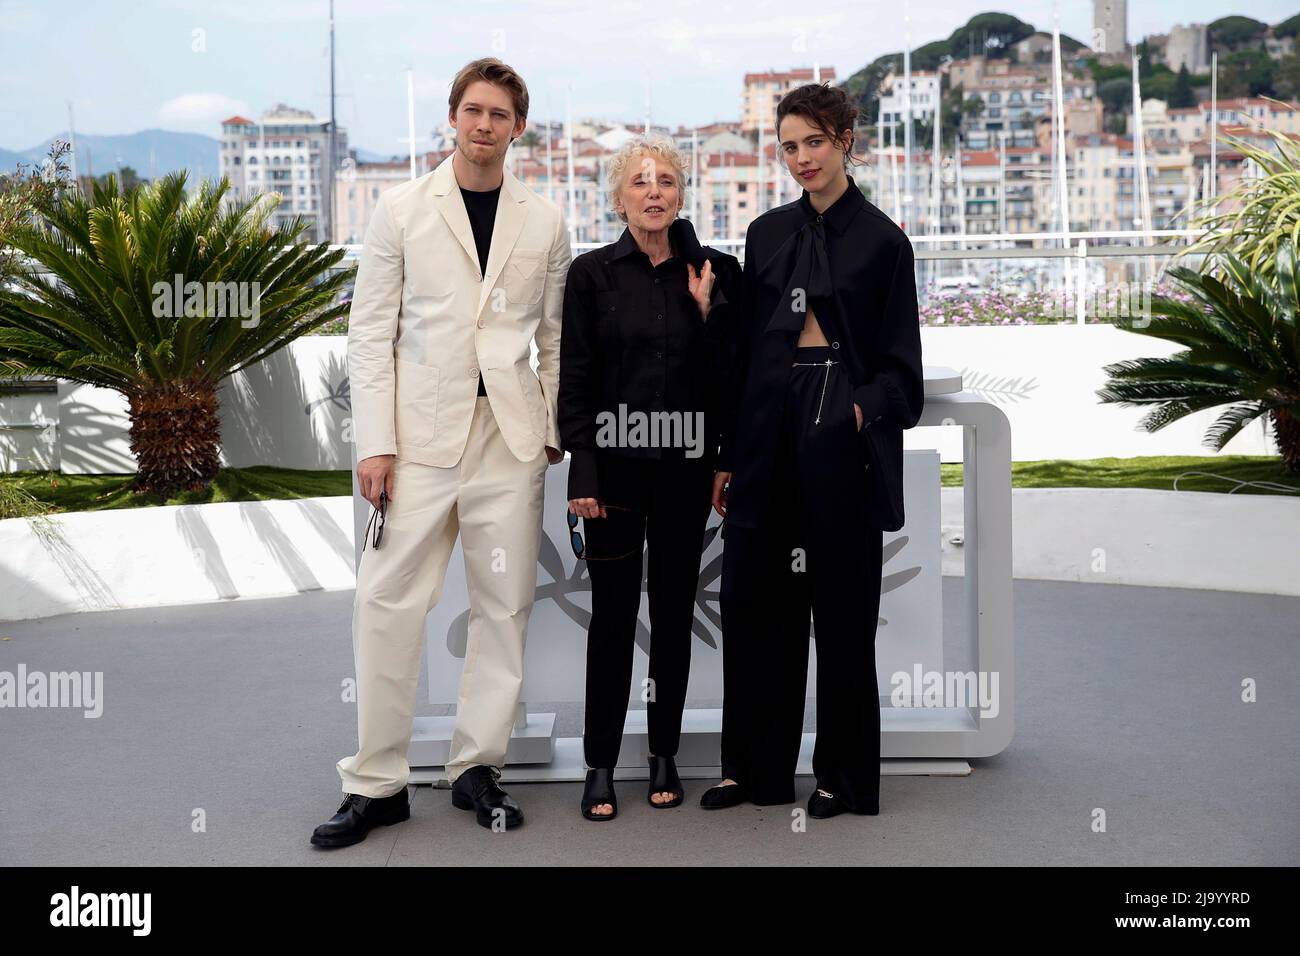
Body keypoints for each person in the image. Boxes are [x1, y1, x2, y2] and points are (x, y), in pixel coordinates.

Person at [312, 57, 569, 847]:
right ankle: (376, 782)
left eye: (499, 114)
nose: (484, 124)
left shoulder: (546, 219)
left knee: (504, 610)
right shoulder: (400, 209)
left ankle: (474, 768)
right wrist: (375, 445)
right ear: (452, 118)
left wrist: (551, 431)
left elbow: (557, 341)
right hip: (418, 443)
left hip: (511, 441)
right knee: (386, 604)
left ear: (517, 126)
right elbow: (370, 334)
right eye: (472, 111)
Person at [701, 82, 924, 818]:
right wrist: (730, 451)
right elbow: (744, 354)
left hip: (839, 430)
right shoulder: (765, 234)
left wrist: (856, 413)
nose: (802, 158)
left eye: (814, 143)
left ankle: (844, 778)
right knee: (755, 605)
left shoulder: (885, 242)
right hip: (765, 427)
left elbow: (901, 372)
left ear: (846, 140)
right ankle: (753, 772)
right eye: (789, 146)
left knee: (843, 615)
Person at [558, 137, 741, 821]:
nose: (654, 191)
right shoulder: (592, 276)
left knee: (671, 615)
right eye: (640, 181)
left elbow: (734, 374)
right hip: (614, 475)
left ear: (682, 195)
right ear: (619, 197)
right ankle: (599, 763)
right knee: (610, 618)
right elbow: (574, 377)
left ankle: (663, 752)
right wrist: (583, 465)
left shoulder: (713, 273)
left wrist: (705, 310)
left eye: (666, 180)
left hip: (687, 471)